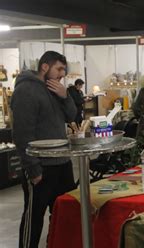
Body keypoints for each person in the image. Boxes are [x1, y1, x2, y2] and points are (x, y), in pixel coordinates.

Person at [11, 51, 77, 248]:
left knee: (64, 214)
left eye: (64, 70)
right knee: (34, 217)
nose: (62, 74)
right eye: (59, 69)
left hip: (61, 163)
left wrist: (65, 96)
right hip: (41, 166)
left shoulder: (54, 90)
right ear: (45, 67)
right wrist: (33, 168)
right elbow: (22, 134)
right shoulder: (26, 91)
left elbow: (72, 117)